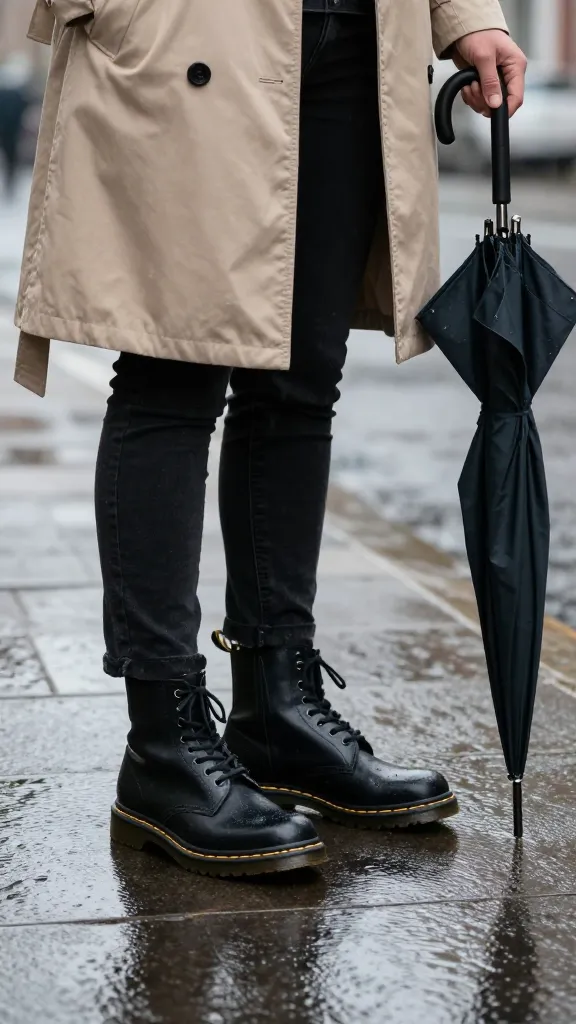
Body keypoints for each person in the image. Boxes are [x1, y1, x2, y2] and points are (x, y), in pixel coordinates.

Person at [15, 0, 526, 876]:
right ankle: (164, 745)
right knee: (172, 374)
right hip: (192, 30)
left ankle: (278, 709)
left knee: (298, 383)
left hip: (358, 38)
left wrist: (464, 13)